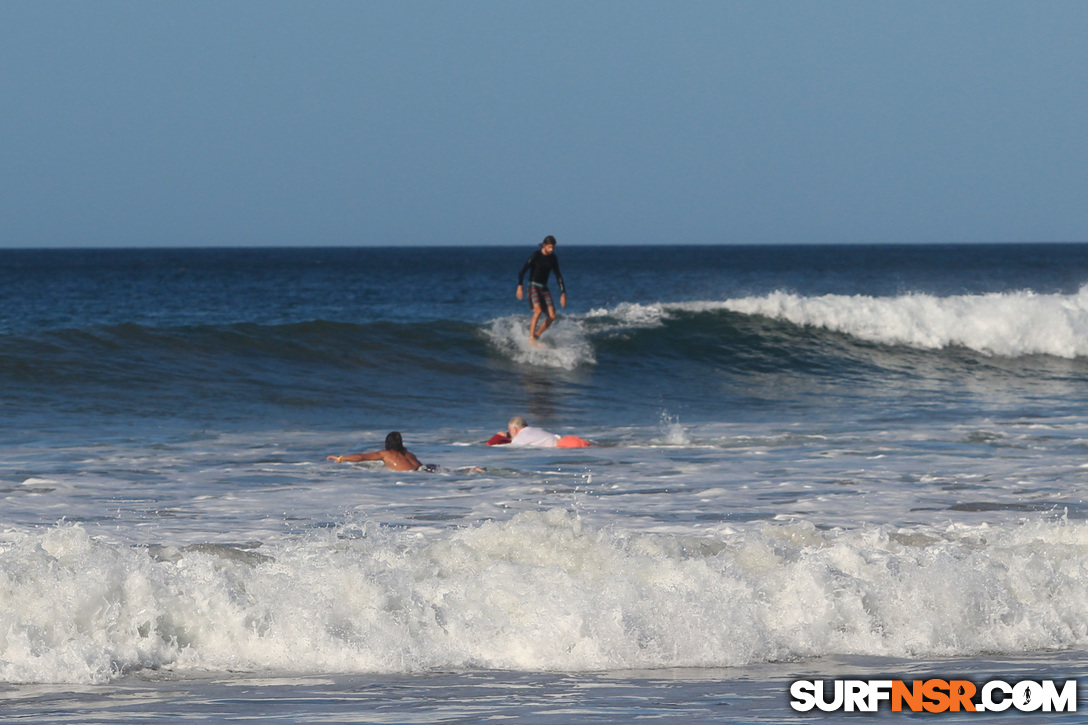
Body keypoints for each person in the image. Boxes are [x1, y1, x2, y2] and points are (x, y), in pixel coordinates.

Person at [516, 235, 566, 341]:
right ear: (544, 245)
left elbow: (558, 275)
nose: (551, 250)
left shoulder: (553, 258)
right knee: (538, 311)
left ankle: (537, 335)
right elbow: (522, 271)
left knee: (552, 316)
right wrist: (520, 286)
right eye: (549, 247)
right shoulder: (536, 255)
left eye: (553, 247)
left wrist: (563, 293)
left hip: (544, 288)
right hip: (533, 285)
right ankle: (531, 337)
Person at [327, 431, 429, 471]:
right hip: (426, 470)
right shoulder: (410, 454)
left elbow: (361, 457)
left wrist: (341, 458)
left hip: (409, 476)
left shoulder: (385, 454)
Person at [487, 416, 591, 448]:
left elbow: (491, 446)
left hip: (566, 445)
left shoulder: (521, 437)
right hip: (569, 440)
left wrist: (497, 437)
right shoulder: (534, 430)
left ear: (514, 429)